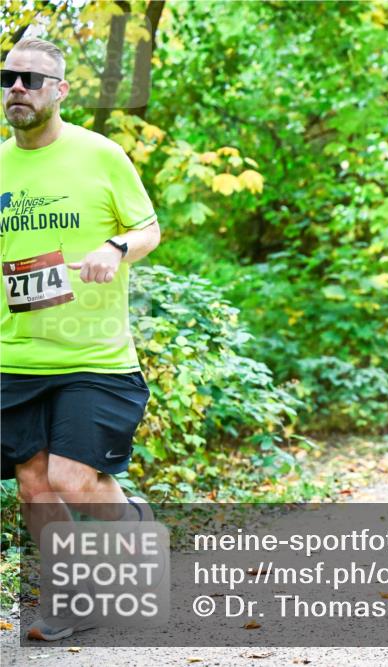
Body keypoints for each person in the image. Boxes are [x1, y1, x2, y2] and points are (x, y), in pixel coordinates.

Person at [1, 38, 161, 640]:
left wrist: (115, 247)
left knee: (72, 480)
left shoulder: (100, 155)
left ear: (60, 91)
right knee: (34, 486)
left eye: (32, 79)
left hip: (93, 354)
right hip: (16, 356)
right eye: (8, 77)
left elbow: (147, 228)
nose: (17, 88)